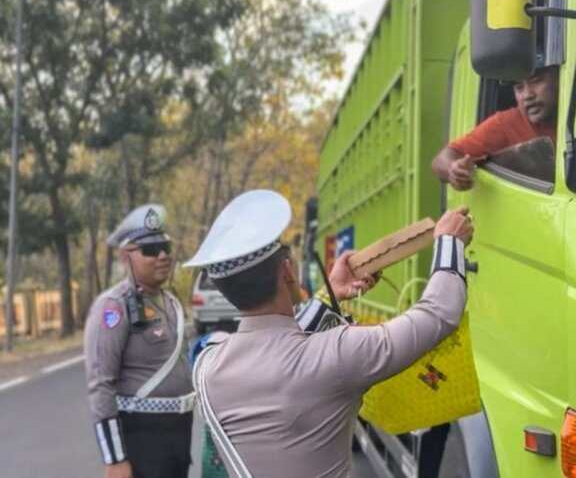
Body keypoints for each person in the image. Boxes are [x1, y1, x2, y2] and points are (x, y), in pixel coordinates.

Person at [185, 189, 473, 478]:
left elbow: (283, 350)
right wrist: (449, 242)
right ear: (288, 272)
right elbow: (439, 313)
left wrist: (329, 294)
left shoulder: (209, 365)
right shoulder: (338, 353)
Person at [84, 204, 194, 478]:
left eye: (165, 247)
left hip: (179, 434)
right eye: (149, 250)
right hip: (141, 438)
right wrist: (115, 459)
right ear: (125, 257)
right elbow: (101, 385)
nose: (161, 256)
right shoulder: (113, 307)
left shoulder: (170, 302)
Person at [432, 65, 559, 190]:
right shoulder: (508, 123)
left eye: (536, 82)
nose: (527, 95)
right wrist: (453, 169)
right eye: (519, 87)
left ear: (560, 79)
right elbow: (442, 159)